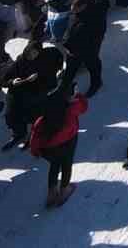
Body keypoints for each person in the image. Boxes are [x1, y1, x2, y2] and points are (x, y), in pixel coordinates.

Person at [28, 79, 88, 207]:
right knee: (66, 165)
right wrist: (79, 96)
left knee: (55, 165)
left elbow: (35, 134)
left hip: (48, 149)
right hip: (68, 142)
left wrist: (35, 151)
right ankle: (64, 189)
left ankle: (51, 193)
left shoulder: (46, 114)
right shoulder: (73, 108)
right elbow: (84, 105)